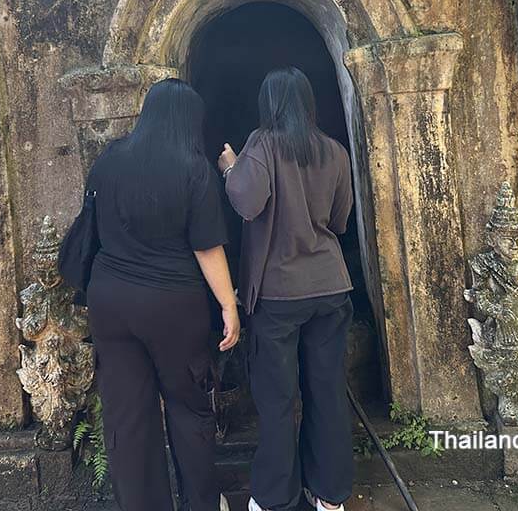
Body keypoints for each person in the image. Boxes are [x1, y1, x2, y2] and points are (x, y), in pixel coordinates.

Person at [87, 78, 240, 511]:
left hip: (110, 301)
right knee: (189, 407)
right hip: (173, 306)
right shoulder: (194, 168)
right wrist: (228, 305)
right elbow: (207, 247)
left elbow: (93, 224)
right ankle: (201, 503)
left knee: (128, 416)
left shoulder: (110, 158)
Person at [218, 67, 355, 511]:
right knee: (327, 392)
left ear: (268, 104)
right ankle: (330, 496)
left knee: (277, 400)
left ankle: (275, 498)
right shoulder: (334, 151)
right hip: (330, 288)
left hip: (278, 295)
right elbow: (340, 221)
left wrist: (231, 167)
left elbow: (246, 201)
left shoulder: (262, 143)